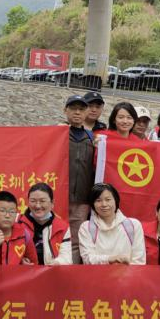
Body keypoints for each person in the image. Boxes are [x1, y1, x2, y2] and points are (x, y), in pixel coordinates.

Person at [78, 183, 145, 265]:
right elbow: (88, 259)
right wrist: (110, 259)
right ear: (92, 204)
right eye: (98, 201)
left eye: (108, 199)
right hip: (97, 273)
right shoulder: (86, 227)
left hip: (128, 273)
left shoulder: (133, 225)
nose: (104, 204)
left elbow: (139, 261)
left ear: (116, 201)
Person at [64, 95, 95, 264]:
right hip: (59, 197)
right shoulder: (57, 133)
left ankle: (72, 271)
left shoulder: (92, 138)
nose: (77, 112)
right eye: (73, 108)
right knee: (56, 236)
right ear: (65, 111)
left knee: (76, 240)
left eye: (81, 109)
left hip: (82, 200)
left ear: (86, 112)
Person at [18, 183, 72, 265]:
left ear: (52, 203)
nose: (37, 206)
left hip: (52, 271)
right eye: (33, 201)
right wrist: (20, 260)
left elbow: (66, 257)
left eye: (42, 201)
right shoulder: (17, 223)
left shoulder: (63, 228)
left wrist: (57, 262)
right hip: (23, 272)